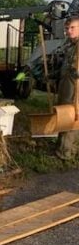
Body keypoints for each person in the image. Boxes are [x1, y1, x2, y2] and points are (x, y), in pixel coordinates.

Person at [55, 16, 79, 160]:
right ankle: (63, 148)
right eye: (66, 28)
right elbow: (66, 66)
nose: (69, 31)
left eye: (72, 28)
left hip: (76, 88)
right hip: (66, 86)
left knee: (71, 116)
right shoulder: (71, 45)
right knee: (64, 115)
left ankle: (65, 153)